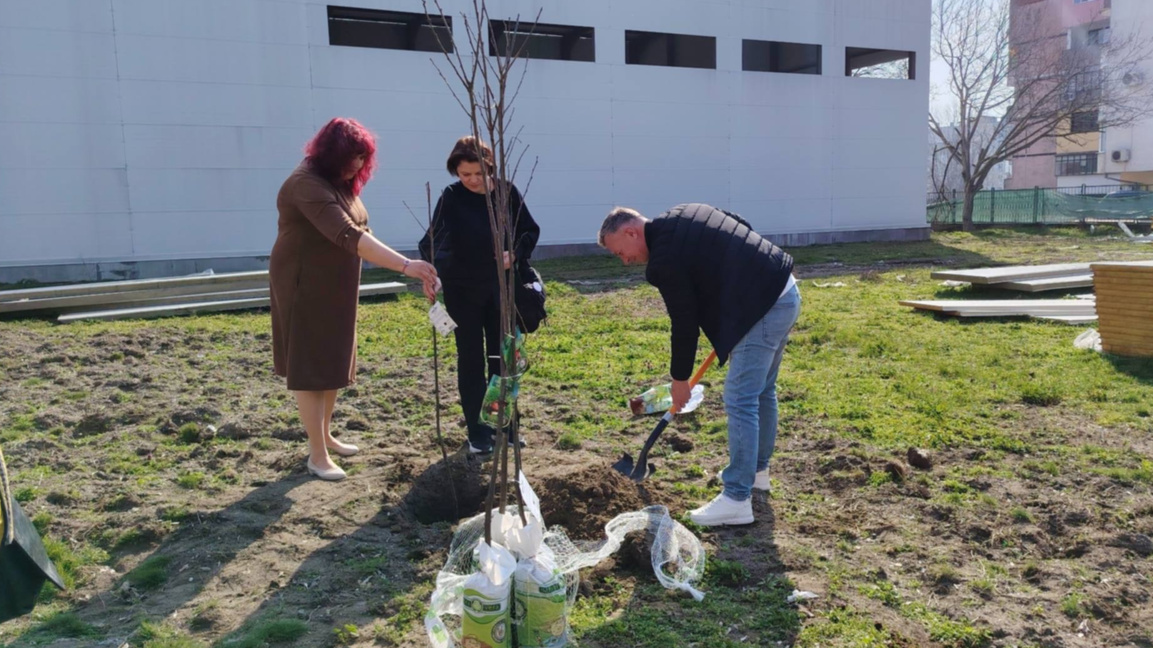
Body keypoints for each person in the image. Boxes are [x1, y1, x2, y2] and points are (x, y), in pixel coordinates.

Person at [598, 204, 800, 526]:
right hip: (784, 290)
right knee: (762, 391)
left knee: (740, 398)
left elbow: (684, 320)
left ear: (631, 231)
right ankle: (757, 472)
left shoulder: (664, 260)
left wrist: (679, 380)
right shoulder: (686, 212)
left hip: (762, 307)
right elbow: (740, 224)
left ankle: (736, 498)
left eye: (621, 252)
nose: (625, 261)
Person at [270, 117, 438, 482]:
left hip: (335, 286)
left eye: (364, 158)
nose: (358, 166)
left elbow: (361, 228)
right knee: (311, 369)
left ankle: (326, 435)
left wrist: (405, 263)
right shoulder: (305, 184)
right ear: (330, 153)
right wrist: (406, 265)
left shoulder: (339, 182)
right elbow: (347, 233)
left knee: (332, 361)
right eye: (352, 157)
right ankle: (316, 455)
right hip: (304, 284)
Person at [419, 136, 540, 455]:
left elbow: (529, 230)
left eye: (477, 173)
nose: (472, 180)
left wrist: (514, 254)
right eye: (464, 174)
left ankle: (506, 425)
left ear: (490, 167)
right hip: (463, 293)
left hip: (502, 290)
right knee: (471, 361)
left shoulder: (506, 192)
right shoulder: (451, 197)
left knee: (504, 357)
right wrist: (432, 273)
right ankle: (478, 433)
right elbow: (432, 242)